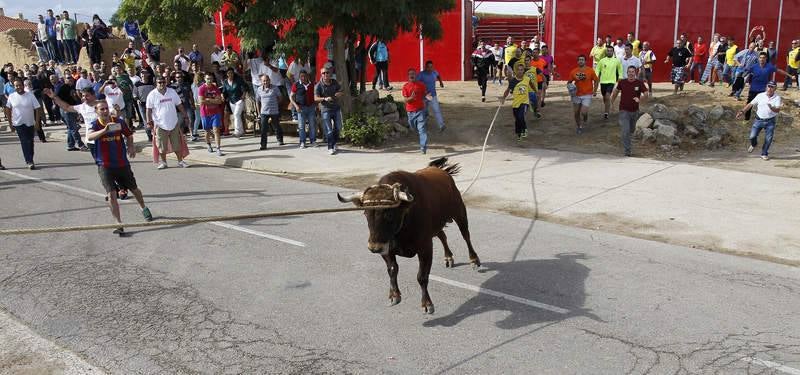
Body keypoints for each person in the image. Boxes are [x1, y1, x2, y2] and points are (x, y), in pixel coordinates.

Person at [87, 101, 153, 235]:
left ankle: (143, 207)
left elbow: (129, 134)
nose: (105, 111)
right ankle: (118, 223)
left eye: (106, 109)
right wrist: (104, 130)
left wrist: (130, 146)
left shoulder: (118, 122)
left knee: (134, 189)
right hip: (105, 164)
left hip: (122, 163)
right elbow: (89, 136)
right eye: (102, 109)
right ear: (97, 111)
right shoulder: (95, 124)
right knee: (111, 194)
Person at [146, 77, 189, 169]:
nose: (161, 84)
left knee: (177, 144)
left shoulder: (172, 92)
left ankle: (180, 161)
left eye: (163, 82)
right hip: (160, 124)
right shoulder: (152, 94)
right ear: (156, 84)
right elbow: (148, 110)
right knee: (161, 146)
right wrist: (149, 121)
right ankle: (164, 163)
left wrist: (185, 116)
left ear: (166, 83)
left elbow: (179, 105)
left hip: (173, 123)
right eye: (159, 82)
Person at [736, 81, 781, 160]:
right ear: (766, 87)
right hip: (758, 120)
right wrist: (742, 112)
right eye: (768, 86)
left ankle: (764, 153)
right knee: (752, 136)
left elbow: (777, 110)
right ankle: (754, 144)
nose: (770, 88)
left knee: (768, 139)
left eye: (772, 87)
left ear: (775, 88)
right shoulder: (760, 95)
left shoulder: (777, 98)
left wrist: (771, 108)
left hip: (770, 121)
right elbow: (750, 104)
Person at [742, 52, 794, 120]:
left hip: (764, 90)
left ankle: (763, 119)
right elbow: (745, 72)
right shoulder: (754, 67)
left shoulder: (769, 66)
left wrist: (790, 76)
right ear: (758, 59)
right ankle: (746, 119)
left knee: (764, 105)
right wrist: (740, 77)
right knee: (749, 104)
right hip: (753, 89)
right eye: (760, 58)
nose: (762, 59)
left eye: (763, 58)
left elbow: (779, 71)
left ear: (766, 59)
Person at [611, 66, 648, 156]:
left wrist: (640, 99)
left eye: (632, 72)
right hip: (623, 110)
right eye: (629, 72)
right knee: (625, 131)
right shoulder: (622, 82)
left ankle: (627, 140)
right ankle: (627, 151)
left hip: (635, 111)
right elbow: (615, 92)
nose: (631, 73)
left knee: (631, 130)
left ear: (635, 73)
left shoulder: (639, 83)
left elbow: (646, 93)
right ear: (627, 73)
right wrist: (612, 103)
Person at [4, 79, 41, 169]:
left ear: (23, 85)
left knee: (30, 142)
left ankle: (30, 158)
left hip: (30, 122)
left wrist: (37, 123)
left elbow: (38, 108)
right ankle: (29, 161)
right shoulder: (12, 96)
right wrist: (10, 123)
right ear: (14, 87)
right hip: (18, 123)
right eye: (16, 86)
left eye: (20, 85)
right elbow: (8, 110)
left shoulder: (30, 95)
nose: (18, 87)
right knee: (25, 141)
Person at [567, 55, 599, 134]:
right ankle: (579, 126)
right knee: (576, 112)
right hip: (576, 94)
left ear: (585, 61)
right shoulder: (573, 71)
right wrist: (570, 88)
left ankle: (585, 116)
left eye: (582, 60)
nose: (581, 61)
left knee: (583, 112)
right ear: (577, 61)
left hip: (587, 94)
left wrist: (594, 91)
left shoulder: (590, 70)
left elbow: (596, 80)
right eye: (579, 60)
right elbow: (569, 82)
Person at [315, 67, 344, 155]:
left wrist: (339, 94)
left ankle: (334, 143)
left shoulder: (334, 82)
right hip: (326, 110)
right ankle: (330, 147)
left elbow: (341, 91)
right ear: (321, 75)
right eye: (323, 73)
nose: (325, 74)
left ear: (330, 73)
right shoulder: (319, 85)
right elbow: (315, 98)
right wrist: (324, 98)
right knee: (329, 130)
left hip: (336, 108)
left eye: (327, 73)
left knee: (338, 128)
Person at [402, 68, 431, 153]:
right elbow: (405, 100)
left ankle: (423, 147)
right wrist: (411, 98)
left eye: (413, 74)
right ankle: (422, 137)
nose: (412, 75)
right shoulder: (405, 86)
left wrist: (429, 97)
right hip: (410, 112)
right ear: (408, 76)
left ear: (416, 75)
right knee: (413, 127)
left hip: (420, 111)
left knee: (422, 129)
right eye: (410, 74)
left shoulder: (421, 85)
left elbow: (426, 94)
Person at [501, 63, 530, 141]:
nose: (520, 71)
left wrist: (535, 91)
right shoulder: (513, 81)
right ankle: (519, 134)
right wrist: (503, 98)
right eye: (518, 70)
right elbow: (507, 91)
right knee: (517, 119)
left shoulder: (527, 79)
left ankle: (524, 129)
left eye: (521, 70)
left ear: (524, 71)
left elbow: (532, 85)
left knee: (521, 116)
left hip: (525, 102)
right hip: (515, 104)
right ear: (516, 71)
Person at [198, 72, 225, 155]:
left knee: (216, 130)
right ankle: (208, 144)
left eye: (210, 78)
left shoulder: (215, 88)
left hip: (215, 113)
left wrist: (208, 100)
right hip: (205, 113)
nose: (209, 80)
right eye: (207, 79)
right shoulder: (201, 88)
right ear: (205, 79)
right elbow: (201, 101)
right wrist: (214, 101)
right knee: (207, 131)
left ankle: (218, 148)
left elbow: (219, 101)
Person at [417, 61, 446, 132]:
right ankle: (422, 125)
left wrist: (441, 82)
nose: (430, 69)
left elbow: (438, 76)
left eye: (431, 67)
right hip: (424, 96)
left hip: (432, 95)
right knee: (424, 111)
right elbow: (416, 83)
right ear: (425, 67)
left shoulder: (434, 72)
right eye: (428, 67)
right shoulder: (421, 74)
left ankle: (441, 125)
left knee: (437, 110)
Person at [255, 74, 283, 150]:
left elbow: (280, 97)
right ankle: (263, 145)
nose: (265, 82)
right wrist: (258, 113)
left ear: (269, 80)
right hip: (264, 112)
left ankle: (280, 139)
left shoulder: (275, 88)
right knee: (263, 129)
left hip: (274, 111)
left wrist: (275, 103)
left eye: (267, 80)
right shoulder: (259, 89)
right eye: (264, 81)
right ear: (261, 81)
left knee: (277, 126)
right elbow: (257, 101)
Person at [290, 70, 316, 148]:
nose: (303, 78)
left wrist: (316, 105)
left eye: (304, 76)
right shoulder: (296, 84)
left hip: (311, 107)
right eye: (301, 76)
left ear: (307, 76)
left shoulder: (312, 84)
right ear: (299, 77)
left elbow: (316, 94)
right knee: (301, 126)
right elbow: (291, 96)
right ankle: (302, 142)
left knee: (312, 125)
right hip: (300, 108)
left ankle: (313, 141)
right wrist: (296, 106)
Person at [596, 45, 623, 119]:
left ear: (613, 52)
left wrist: (620, 78)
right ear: (606, 51)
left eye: (611, 51)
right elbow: (597, 70)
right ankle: (607, 107)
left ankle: (606, 113)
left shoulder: (616, 60)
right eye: (608, 51)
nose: (609, 52)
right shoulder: (602, 61)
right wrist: (595, 77)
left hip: (611, 82)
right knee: (605, 98)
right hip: (603, 82)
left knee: (607, 96)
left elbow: (620, 70)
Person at [222, 69, 246, 137]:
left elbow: (244, 88)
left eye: (231, 73)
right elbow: (224, 91)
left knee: (236, 115)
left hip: (239, 100)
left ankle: (237, 131)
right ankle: (241, 131)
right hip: (231, 101)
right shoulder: (225, 82)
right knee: (237, 116)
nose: (230, 74)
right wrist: (222, 96)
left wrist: (243, 96)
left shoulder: (238, 80)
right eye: (229, 73)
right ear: (227, 74)